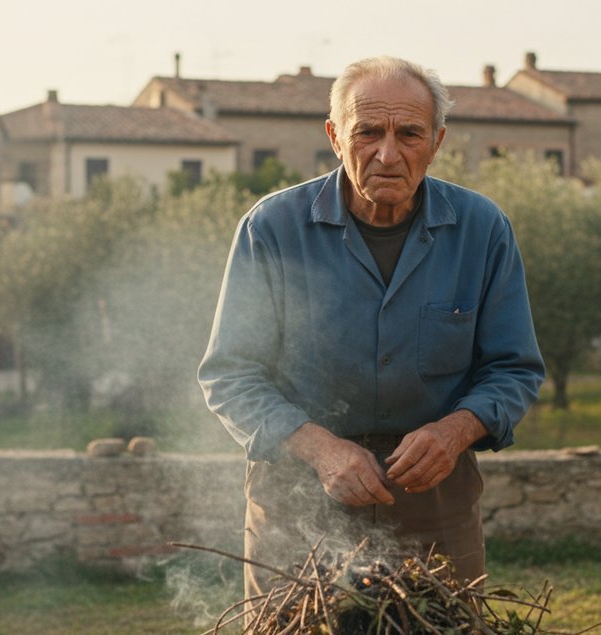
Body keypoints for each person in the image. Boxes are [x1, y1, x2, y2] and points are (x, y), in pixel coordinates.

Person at [197, 56, 544, 600]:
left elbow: (514, 369)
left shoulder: (483, 230)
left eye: (409, 134)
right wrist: (322, 450)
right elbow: (231, 375)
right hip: (300, 500)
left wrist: (454, 432)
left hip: (434, 506)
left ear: (437, 141)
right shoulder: (271, 230)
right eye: (368, 132)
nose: (388, 153)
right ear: (335, 137)